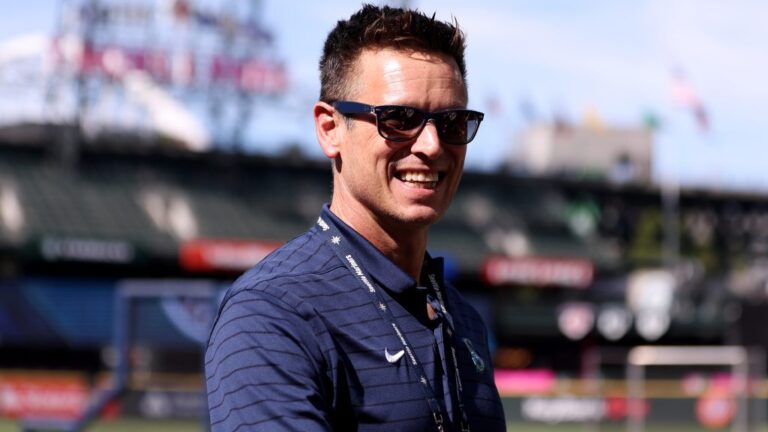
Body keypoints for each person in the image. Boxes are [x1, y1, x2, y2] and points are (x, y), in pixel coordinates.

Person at [205, 4, 506, 431]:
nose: (433, 145)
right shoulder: (270, 313)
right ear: (330, 129)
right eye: (400, 119)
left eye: (452, 121)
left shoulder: (463, 318)